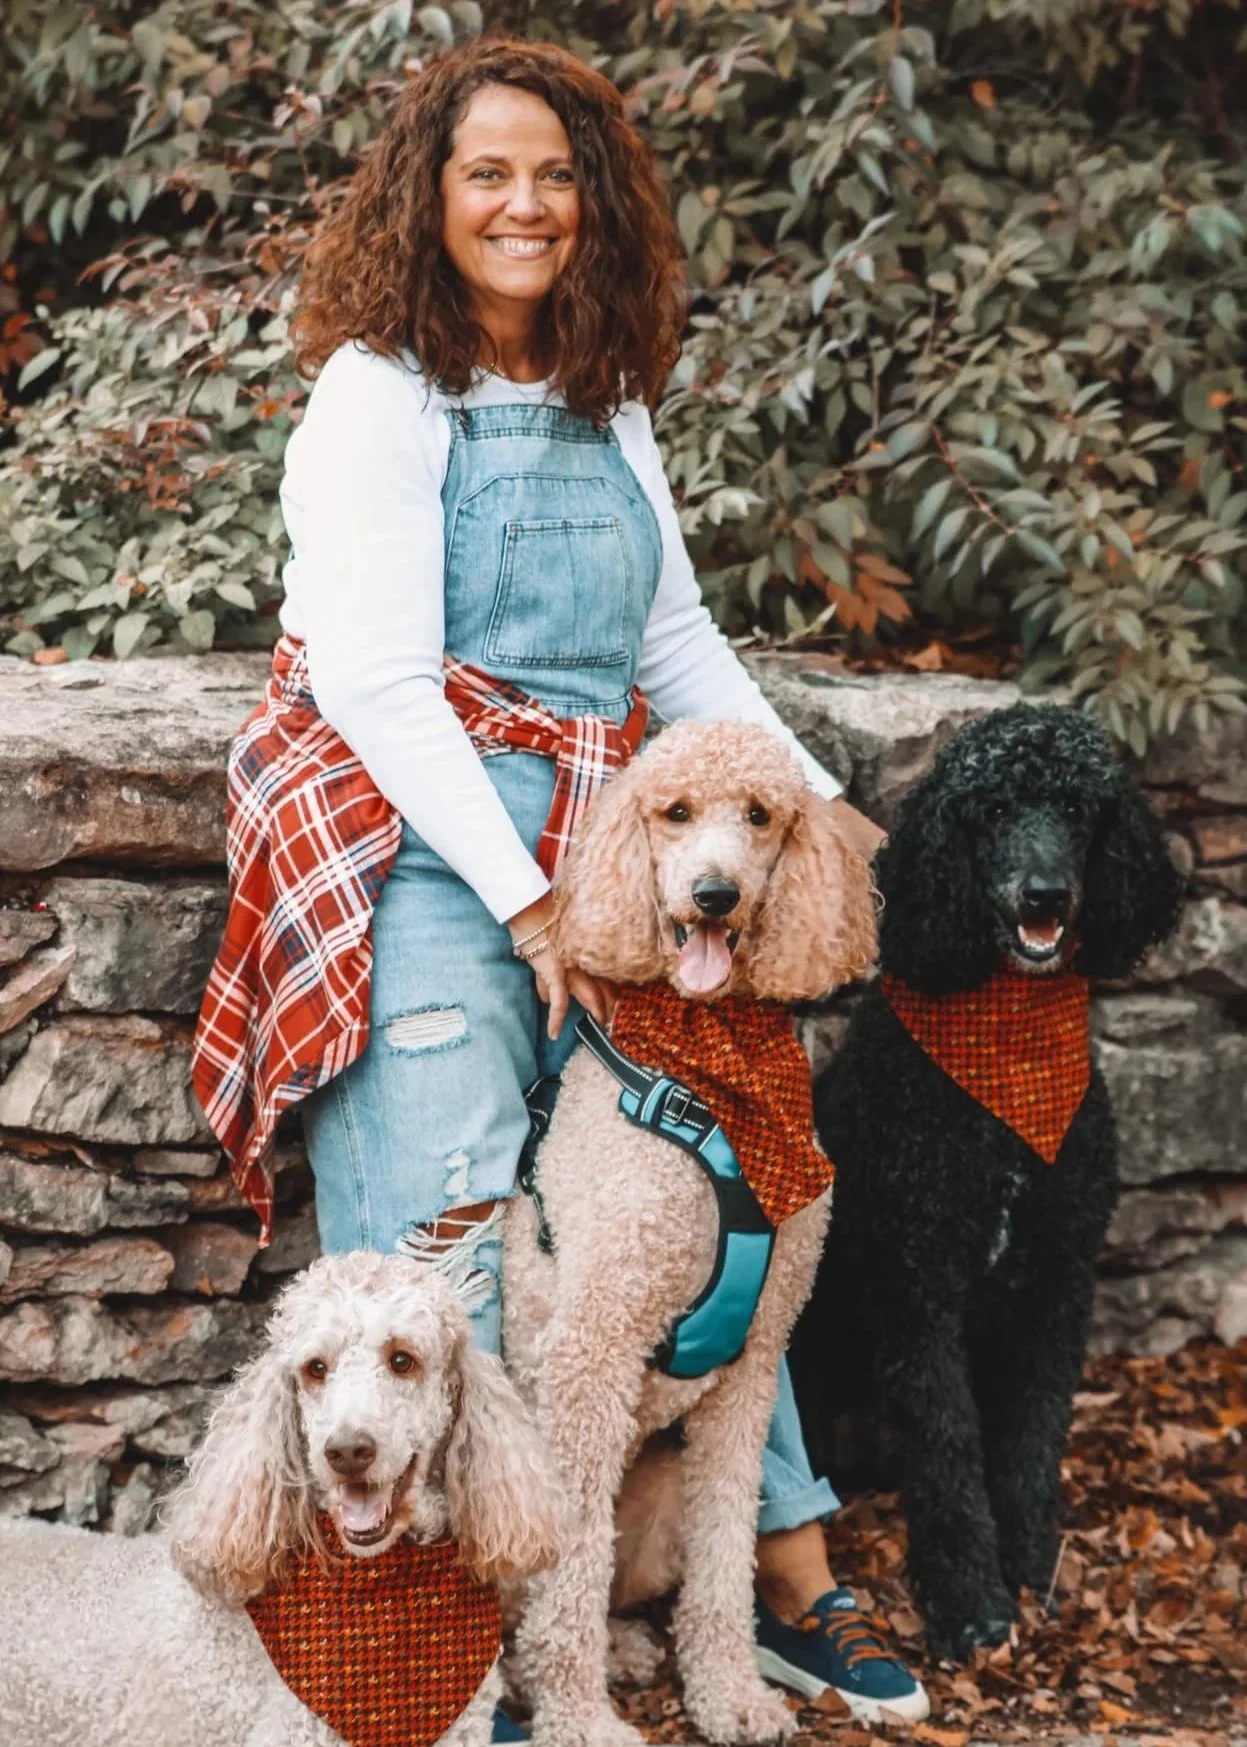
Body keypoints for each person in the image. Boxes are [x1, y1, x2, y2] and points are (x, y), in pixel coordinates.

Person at [193, 35, 927, 1731]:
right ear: (428, 197)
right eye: (486, 173)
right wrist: (527, 910)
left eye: (553, 174)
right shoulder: (378, 393)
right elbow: (378, 683)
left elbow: (673, 641)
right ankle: (477, 1643)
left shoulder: (609, 392)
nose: (523, 204)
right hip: (421, 842)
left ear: (593, 198)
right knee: (452, 1232)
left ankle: (782, 1577)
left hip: (620, 845)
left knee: (718, 1197)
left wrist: (830, 819)